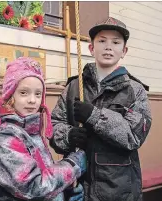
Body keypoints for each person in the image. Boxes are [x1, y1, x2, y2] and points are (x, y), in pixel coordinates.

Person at [50, 17, 152, 201]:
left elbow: (133, 136)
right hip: (77, 186)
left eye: (115, 42)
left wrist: (94, 116)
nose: (108, 47)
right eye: (102, 41)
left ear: (124, 51)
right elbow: (54, 125)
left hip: (119, 191)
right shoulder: (74, 87)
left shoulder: (134, 91)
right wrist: (68, 136)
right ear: (91, 48)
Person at [0, 57, 86, 201]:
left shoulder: (31, 130)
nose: (32, 100)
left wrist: (64, 192)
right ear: (10, 95)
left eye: (38, 94)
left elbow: (44, 177)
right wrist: (74, 165)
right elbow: (35, 187)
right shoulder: (6, 136)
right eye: (24, 93)